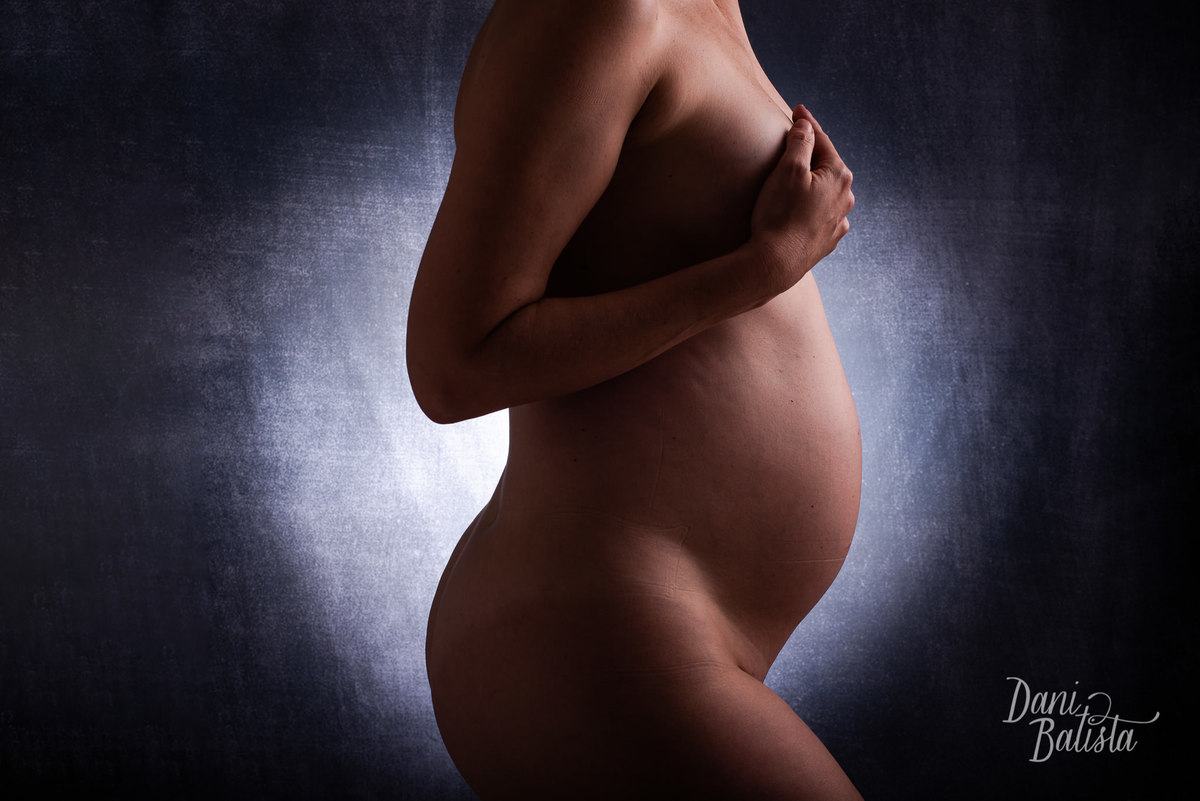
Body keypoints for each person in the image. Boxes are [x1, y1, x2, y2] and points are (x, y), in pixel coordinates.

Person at [407, 0, 861, 797]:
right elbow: (453, 364)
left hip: (645, 637)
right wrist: (757, 273)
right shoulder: (602, 13)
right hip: (598, 637)